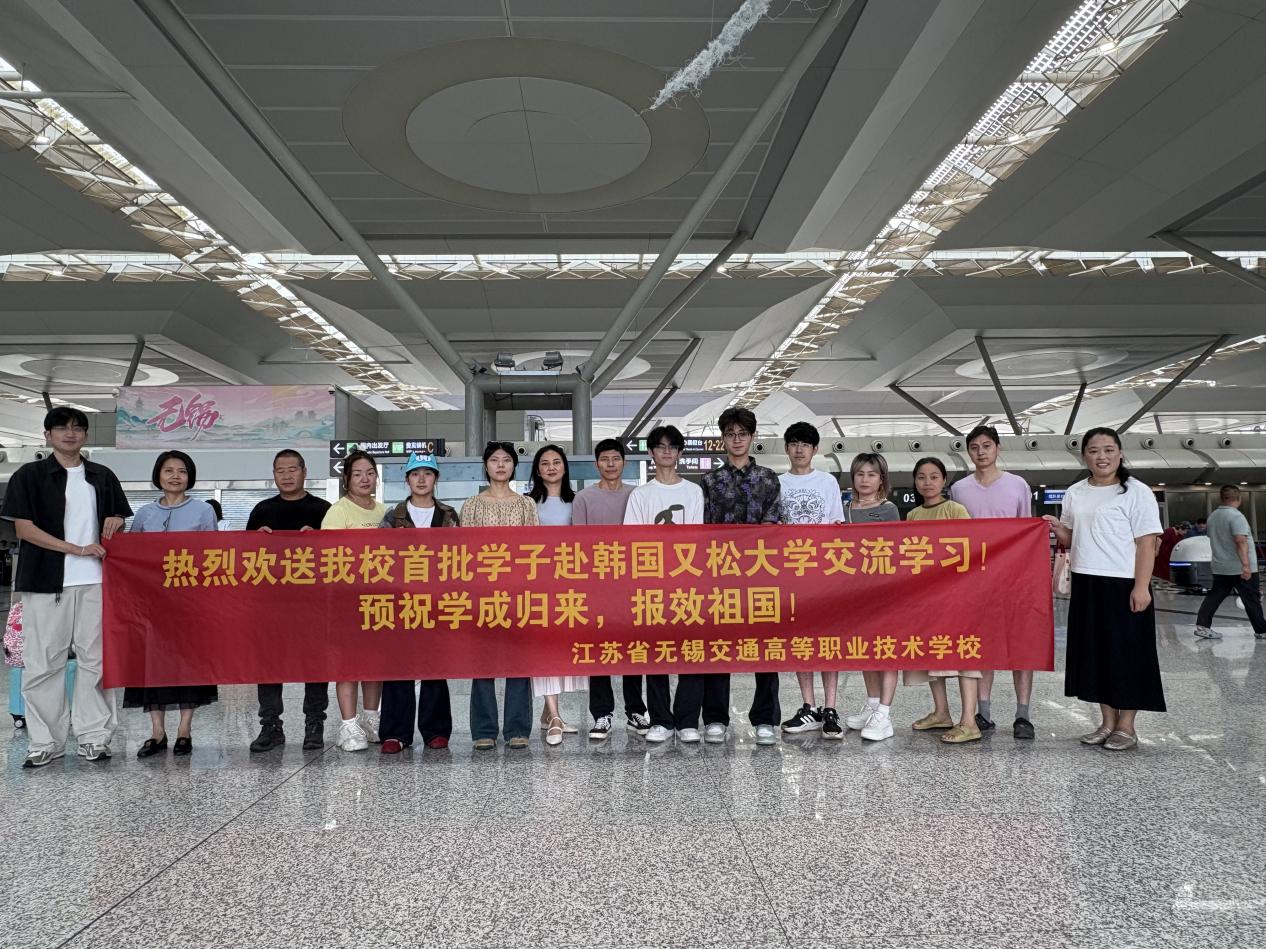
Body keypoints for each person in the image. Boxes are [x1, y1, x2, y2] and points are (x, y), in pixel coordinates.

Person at [1, 406, 131, 768]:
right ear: (47, 436)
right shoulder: (29, 475)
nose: (70, 434)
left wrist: (116, 519)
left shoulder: (102, 475)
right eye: (61, 428)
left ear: (85, 435)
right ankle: (45, 741)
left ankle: (94, 737)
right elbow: (24, 529)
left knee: (96, 661)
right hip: (45, 580)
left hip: (97, 581)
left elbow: (119, 518)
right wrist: (75, 548)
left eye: (77, 428)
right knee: (43, 662)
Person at [1043, 427, 1164, 751]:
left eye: (1109, 450)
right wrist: (1056, 528)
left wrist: (1142, 587)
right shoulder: (1076, 492)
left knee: (1127, 653)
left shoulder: (1136, 492)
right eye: (1094, 450)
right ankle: (1107, 721)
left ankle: (1127, 726)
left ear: (1120, 453)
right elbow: (1073, 538)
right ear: (1084, 456)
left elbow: (1146, 542)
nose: (1102, 456)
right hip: (1087, 582)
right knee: (1095, 653)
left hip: (1124, 582)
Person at [122, 451, 218, 757]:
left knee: (188, 664)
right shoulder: (144, 514)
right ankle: (157, 732)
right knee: (153, 665)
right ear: (158, 475)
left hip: (189, 602)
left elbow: (213, 554)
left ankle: (184, 730)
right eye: (168, 470)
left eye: (182, 471)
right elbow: (131, 556)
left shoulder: (203, 511)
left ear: (190, 477)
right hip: (151, 604)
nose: (175, 476)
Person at [700, 407, 783, 745]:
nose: (737, 440)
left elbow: (773, 525)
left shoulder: (768, 478)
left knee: (765, 646)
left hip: (761, 574)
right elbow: (704, 530)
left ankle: (765, 719)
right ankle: (715, 718)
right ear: (722, 439)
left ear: (752, 437)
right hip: (720, 575)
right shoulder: (710, 481)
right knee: (719, 646)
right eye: (731, 434)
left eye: (742, 434)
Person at [950, 424, 1037, 740]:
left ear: (998, 448)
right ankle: (983, 712)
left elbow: (1027, 532)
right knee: (982, 645)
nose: (981, 452)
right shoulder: (959, 489)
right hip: (975, 582)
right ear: (968, 451)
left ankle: (1023, 714)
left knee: (1020, 646)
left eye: (986, 445)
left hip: (1014, 579)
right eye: (974, 447)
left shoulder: (1017, 485)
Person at [624, 425, 705, 743]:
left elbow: (697, 538)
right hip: (652, 583)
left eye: (673, 446)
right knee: (656, 652)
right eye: (660, 446)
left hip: (687, 581)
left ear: (680, 452)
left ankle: (687, 720)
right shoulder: (641, 494)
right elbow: (633, 541)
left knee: (691, 651)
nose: (667, 451)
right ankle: (660, 719)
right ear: (651, 453)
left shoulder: (693, 492)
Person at [246, 450, 331, 753]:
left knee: (315, 664)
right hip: (271, 604)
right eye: (280, 470)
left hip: (313, 604)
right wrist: (255, 539)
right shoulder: (262, 510)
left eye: (292, 469)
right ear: (273, 475)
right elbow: (243, 557)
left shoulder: (323, 509)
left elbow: (340, 557)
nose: (286, 475)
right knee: (269, 665)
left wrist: (319, 539)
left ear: (304, 472)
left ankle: (314, 723)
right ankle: (270, 726)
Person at [378, 452, 459, 753]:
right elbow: (381, 557)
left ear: (436, 479)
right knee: (398, 665)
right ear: (407, 479)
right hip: (401, 601)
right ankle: (395, 733)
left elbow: (460, 557)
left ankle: (435, 730)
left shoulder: (449, 515)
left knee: (434, 665)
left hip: (438, 600)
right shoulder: (393, 516)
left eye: (427, 473)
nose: (421, 479)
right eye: (415, 474)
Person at [462, 441, 537, 751]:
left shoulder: (526, 505)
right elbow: (464, 553)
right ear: (486, 466)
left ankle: (517, 728)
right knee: (483, 662)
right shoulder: (472, 505)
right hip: (482, 594)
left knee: (518, 661)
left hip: (518, 593)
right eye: (495, 460)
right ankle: (484, 729)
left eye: (507, 460)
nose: (501, 465)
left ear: (514, 466)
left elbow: (534, 551)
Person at [572, 438, 648, 741]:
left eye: (616, 458)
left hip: (632, 584)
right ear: (596, 464)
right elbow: (579, 545)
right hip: (597, 585)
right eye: (605, 459)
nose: (611, 464)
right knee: (599, 649)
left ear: (624, 462)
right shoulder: (583, 498)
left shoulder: (637, 495)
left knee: (633, 648)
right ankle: (601, 714)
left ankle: (635, 710)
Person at [904, 457, 980, 744]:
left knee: (963, 654)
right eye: (921, 477)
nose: (927, 482)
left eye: (934, 476)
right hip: (927, 597)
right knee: (934, 652)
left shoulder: (955, 510)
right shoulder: (913, 515)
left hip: (956, 595)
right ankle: (941, 713)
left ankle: (969, 721)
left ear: (944, 480)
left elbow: (971, 549)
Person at [777, 422, 846, 739]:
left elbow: (837, 527)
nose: (799, 449)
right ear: (786, 448)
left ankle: (830, 708)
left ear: (815, 449)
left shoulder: (827, 482)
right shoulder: (777, 483)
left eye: (805, 444)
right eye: (794, 443)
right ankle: (809, 706)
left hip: (824, 574)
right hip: (791, 574)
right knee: (801, 639)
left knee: (828, 640)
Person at [321, 450, 388, 752]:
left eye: (370, 473)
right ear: (346, 479)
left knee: (374, 663)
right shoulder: (338, 512)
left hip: (379, 600)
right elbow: (329, 557)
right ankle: (348, 725)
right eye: (358, 473)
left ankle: (371, 720)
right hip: (347, 601)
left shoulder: (384, 512)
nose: (364, 479)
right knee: (348, 664)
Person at [526, 444, 587, 746]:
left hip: (570, 585)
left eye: (556, 462)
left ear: (565, 467)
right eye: (545, 463)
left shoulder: (579, 501)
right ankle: (556, 716)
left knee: (562, 649)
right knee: (544, 648)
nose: (551, 467)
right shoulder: (527, 503)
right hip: (538, 584)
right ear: (537, 470)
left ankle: (547, 712)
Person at [840, 452, 902, 741]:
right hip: (855, 592)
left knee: (887, 649)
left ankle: (885, 715)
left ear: (881, 479)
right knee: (865, 648)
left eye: (872, 474)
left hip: (885, 592)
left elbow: (896, 550)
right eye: (860, 474)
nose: (865, 479)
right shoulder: (845, 509)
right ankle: (873, 704)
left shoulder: (889, 510)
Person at [1194, 485, 1266, 641]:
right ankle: (1261, 630)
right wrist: (1246, 566)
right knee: (1251, 599)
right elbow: (1240, 541)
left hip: (1220, 566)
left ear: (1221, 498)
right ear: (1239, 498)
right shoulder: (1237, 516)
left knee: (1215, 596)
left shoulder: (1212, 517)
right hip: (1240, 567)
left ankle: (1203, 626)